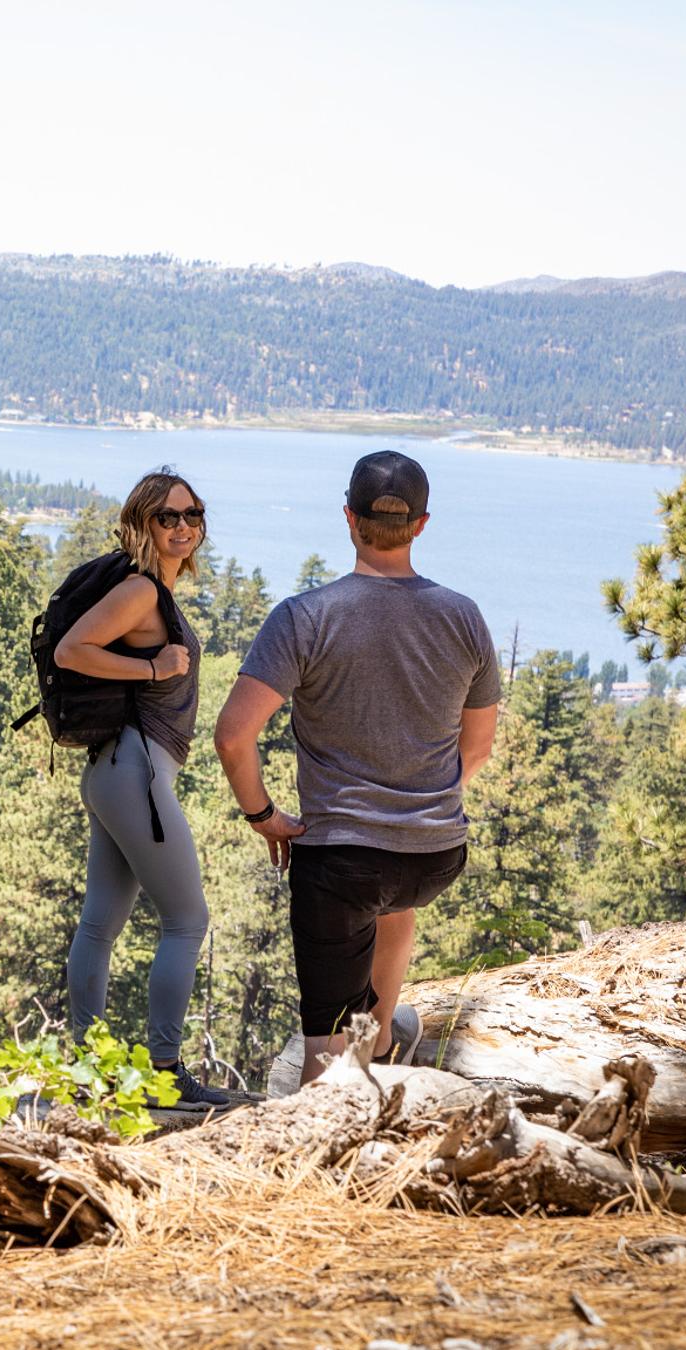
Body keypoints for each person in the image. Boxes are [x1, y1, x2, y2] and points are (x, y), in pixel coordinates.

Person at [210, 450, 501, 1085]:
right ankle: (382, 1037)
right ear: (422, 524)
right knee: (393, 898)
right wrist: (419, 805)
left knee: (323, 1061)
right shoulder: (465, 618)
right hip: (434, 856)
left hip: (339, 863)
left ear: (349, 517)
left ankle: (335, 1099)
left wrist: (264, 817)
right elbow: (476, 750)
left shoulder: (305, 617)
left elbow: (233, 736)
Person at [53, 470, 230, 1107]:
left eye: (193, 513)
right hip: (136, 769)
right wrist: (154, 665)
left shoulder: (157, 591)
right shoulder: (140, 591)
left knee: (100, 925)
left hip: (115, 771)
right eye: (167, 516)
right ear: (141, 523)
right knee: (187, 920)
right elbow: (72, 650)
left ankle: (85, 1071)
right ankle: (163, 1073)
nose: (183, 526)